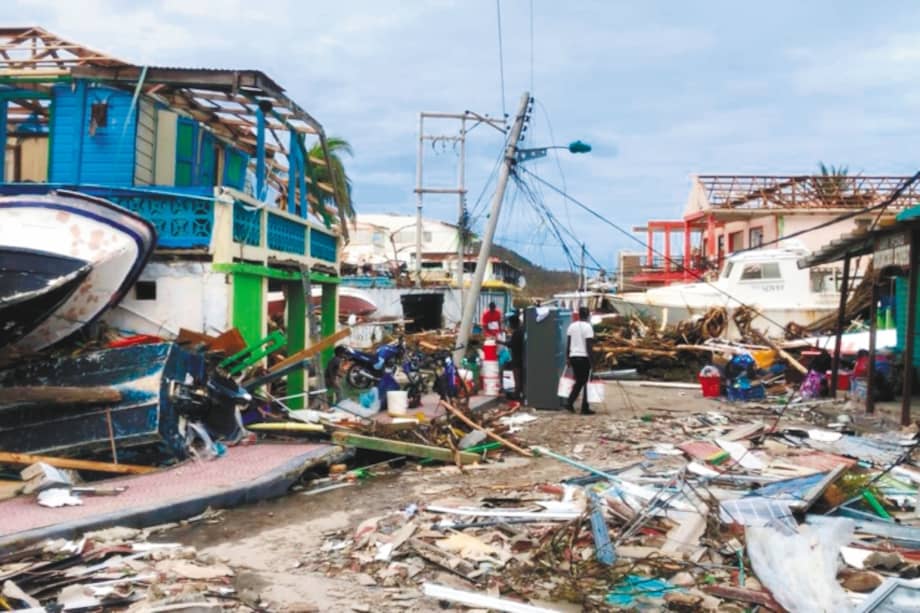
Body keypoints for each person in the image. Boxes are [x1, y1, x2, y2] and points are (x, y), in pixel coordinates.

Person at [565, 306, 595, 415]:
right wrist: (592, 361)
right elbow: (589, 345)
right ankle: (584, 408)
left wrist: (567, 357)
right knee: (586, 382)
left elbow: (568, 343)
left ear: (579, 314)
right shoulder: (588, 327)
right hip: (584, 358)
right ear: (587, 315)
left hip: (573, 357)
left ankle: (569, 402)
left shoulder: (571, 326)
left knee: (579, 381)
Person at [507, 315, 524, 401]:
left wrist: (499, 342)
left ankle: (516, 396)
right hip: (522, 358)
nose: (509, 325)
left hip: (517, 359)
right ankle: (519, 394)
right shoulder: (522, 331)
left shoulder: (516, 333)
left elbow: (511, 345)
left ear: (513, 324)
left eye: (510, 323)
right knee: (520, 378)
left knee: (517, 378)